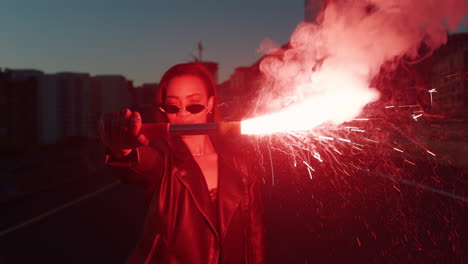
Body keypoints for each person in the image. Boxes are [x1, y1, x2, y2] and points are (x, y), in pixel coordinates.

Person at [99, 62, 266, 264]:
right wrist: (121, 147)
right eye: (172, 106)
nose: (183, 113)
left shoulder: (243, 163)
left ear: (211, 104)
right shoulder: (162, 156)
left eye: (194, 105)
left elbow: (254, 237)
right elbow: (138, 162)